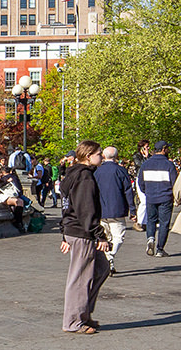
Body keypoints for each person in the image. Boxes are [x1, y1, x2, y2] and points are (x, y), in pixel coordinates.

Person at [59, 140, 110, 335]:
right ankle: (73, 321)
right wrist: (100, 235)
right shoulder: (84, 178)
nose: (102, 157)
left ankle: (83, 312)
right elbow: (85, 210)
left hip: (74, 229)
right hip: (82, 231)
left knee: (101, 268)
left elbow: (66, 205)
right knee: (80, 277)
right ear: (88, 156)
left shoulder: (73, 174)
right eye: (99, 153)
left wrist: (63, 232)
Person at [94, 146, 134, 273]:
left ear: (104, 156)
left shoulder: (96, 171)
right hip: (117, 208)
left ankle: (108, 261)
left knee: (105, 237)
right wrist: (132, 209)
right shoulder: (121, 171)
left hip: (100, 209)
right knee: (118, 236)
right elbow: (128, 191)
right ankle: (110, 257)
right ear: (116, 156)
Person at [137, 141, 178, 257]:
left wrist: (148, 192)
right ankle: (160, 249)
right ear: (164, 149)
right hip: (165, 196)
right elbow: (175, 182)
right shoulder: (169, 165)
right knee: (164, 223)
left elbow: (141, 182)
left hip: (151, 196)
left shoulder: (146, 164)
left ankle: (150, 238)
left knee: (151, 220)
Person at [131, 139, 151, 231]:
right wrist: (146, 157)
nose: (148, 148)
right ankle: (138, 222)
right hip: (140, 178)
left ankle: (145, 222)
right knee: (144, 200)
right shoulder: (137, 156)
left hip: (149, 178)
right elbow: (141, 165)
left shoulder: (150, 156)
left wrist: (148, 157)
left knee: (148, 201)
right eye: (146, 147)